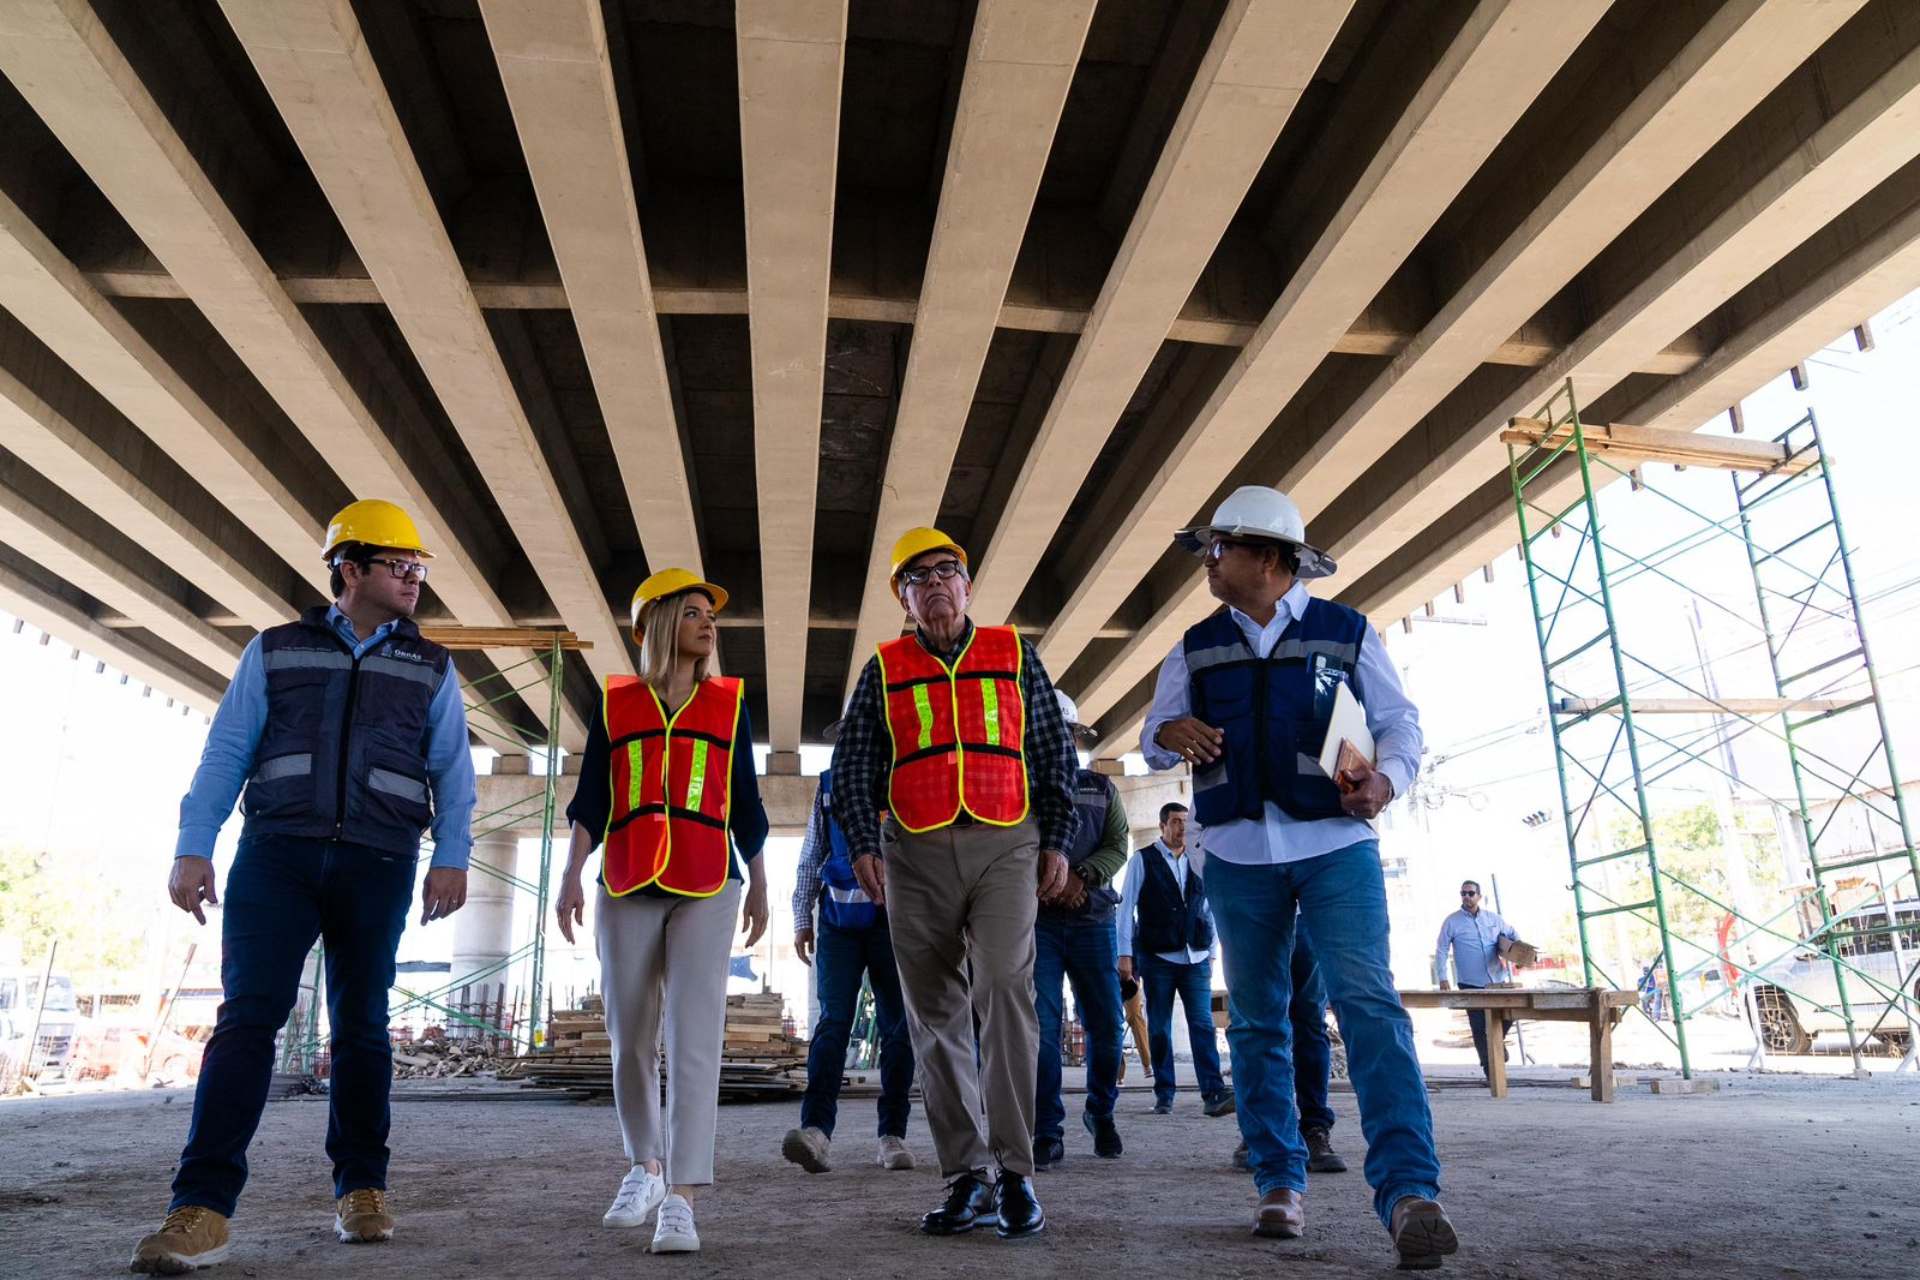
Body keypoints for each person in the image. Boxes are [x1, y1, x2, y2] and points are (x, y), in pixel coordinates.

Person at [133, 500, 475, 1274]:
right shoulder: (275, 649)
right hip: (276, 856)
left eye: (419, 568)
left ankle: (362, 1188)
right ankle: (201, 1209)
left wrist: (452, 853)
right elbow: (226, 752)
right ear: (350, 569)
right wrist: (195, 847)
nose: (416, 580)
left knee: (361, 1026)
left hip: (379, 860)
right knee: (248, 1019)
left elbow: (453, 769)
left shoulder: (430, 665)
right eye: (401, 566)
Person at [1141, 485, 1456, 1270]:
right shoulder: (1193, 644)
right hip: (1239, 858)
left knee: (1369, 1005)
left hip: (1333, 847)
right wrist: (1166, 732)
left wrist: (1387, 780)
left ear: (1272, 560)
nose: (1209, 563)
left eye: (1222, 549)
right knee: (1255, 1022)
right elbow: (1153, 740)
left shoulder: (1345, 631)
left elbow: (1399, 724)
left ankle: (1410, 1193)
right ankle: (1279, 1180)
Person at [830, 527, 1079, 1240]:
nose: (935, 583)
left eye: (948, 571)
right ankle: (966, 1175)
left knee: (1004, 985)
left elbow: (1053, 749)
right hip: (912, 851)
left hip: (1006, 843)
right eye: (919, 577)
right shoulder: (882, 670)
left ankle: (1017, 1174)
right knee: (934, 1012)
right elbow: (852, 764)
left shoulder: (1012, 653)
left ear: (968, 587)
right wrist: (859, 844)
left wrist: (1057, 837)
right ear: (904, 599)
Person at [552, 568, 770, 1255]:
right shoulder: (617, 705)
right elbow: (591, 800)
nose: (710, 625)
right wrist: (571, 877)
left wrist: (760, 883)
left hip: (709, 881)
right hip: (626, 878)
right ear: (660, 626)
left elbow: (747, 805)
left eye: (712, 615)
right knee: (630, 1033)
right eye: (696, 613)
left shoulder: (729, 706)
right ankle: (645, 1167)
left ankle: (683, 1197)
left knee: (696, 1035)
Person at [782, 724, 916, 1175]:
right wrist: (802, 917)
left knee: (899, 1029)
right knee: (833, 1022)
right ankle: (816, 1132)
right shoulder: (828, 788)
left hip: (896, 926)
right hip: (840, 921)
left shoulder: (905, 781)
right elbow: (812, 854)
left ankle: (892, 1135)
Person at [1030, 691, 1129, 1167]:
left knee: (1107, 1026)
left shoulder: (1101, 789)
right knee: (1042, 1029)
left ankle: (1101, 1112)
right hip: (1039, 925)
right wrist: (1049, 882)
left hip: (1093, 920)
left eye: (1063, 735)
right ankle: (1047, 1130)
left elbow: (1118, 845)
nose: (1056, 742)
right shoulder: (1019, 789)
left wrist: (1081, 878)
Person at [1114, 802, 1232, 1119]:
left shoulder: (1199, 858)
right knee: (1160, 1028)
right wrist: (1124, 955)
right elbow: (1125, 910)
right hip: (1157, 958)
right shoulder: (1143, 859)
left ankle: (1213, 1092)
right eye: (1177, 821)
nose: (1183, 827)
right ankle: (1164, 1093)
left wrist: (1213, 953)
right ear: (1163, 825)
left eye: (1187, 821)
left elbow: (1211, 908)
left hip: (1196, 957)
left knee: (1203, 1025)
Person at [1233, 923, 1349, 1176]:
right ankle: (1261, 1129)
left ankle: (1314, 1129)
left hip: (1307, 917)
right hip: (1255, 914)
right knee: (1257, 1023)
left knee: (1310, 1021)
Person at [1433, 880, 1519, 1080]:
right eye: (1463, 893)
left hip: (1497, 980)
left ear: (1479, 896)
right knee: (1479, 1028)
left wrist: (1521, 956)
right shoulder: (1452, 922)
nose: (1467, 897)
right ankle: (1491, 1072)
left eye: (1471, 893)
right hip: (1470, 983)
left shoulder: (1494, 919)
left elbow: (1513, 935)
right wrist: (1443, 977)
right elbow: (1441, 949)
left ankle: (1498, 1042)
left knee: (1510, 1014)